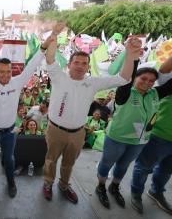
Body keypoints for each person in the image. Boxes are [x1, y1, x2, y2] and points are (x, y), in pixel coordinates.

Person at [42, 31, 140, 204]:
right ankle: (48, 183)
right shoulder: (59, 77)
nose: (80, 66)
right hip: (55, 130)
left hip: (78, 133)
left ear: (88, 66)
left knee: (69, 163)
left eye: (84, 63)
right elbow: (50, 58)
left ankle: (64, 185)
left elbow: (124, 78)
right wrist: (53, 38)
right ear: (69, 65)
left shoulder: (93, 82)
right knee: (50, 160)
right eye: (76, 62)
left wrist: (130, 55)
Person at [0, 24, 61, 198]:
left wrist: (45, 45)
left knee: (9, 159)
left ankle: (10, 181)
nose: (5, 75)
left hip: (9, 132)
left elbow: (32, 65)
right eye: (2, 72)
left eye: (8, 72)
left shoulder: (17, 82)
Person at [95, 59, 172, 209]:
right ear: (135, 78)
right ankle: (101, 186)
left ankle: (114, 187)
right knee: (107, 163)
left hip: (139, 141)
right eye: (143, 78)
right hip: (117, 138)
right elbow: (127, 77)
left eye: (151, 80)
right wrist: (134, 58)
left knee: (124, 165)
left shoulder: (155, 93)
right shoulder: (125, 93)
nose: (147, 82)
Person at [130, 56, 172, 215]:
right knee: (144, 167)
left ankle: (156, 192)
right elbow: (163, 70)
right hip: (160, 134)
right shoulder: (169, 81)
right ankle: (136, 193)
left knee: (167, 170)